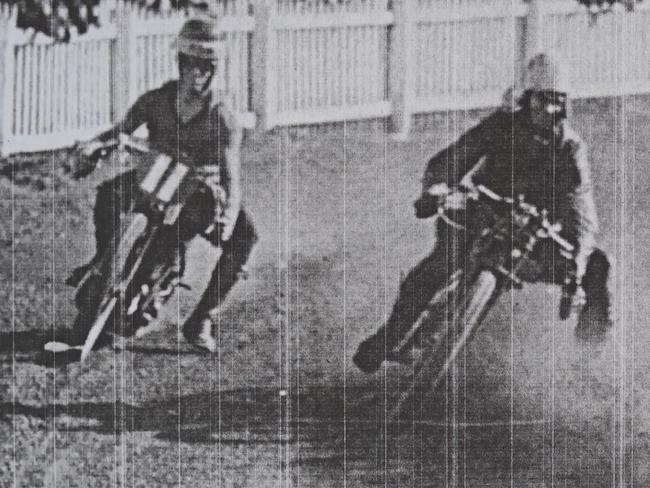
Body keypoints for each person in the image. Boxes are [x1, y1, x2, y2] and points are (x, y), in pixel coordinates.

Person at [353, 52, 612, 374]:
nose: (550, 109)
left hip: (534, 232)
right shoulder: (499, 127)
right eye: (543, 100)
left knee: (598, 265)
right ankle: (388, 336)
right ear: (527, 99)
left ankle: (586, 364)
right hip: (481, 214)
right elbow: (453, 159)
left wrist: (578, 255)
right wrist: (436, 190)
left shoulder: (570, 148)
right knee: (439, 264)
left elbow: (580, 207)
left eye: (558, 101)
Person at [67, 16, 257, 353]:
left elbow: (231, 177)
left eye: (207, 66)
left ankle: (201, 317)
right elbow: (120, 132)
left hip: (199, 193)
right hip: (154, 177)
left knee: (245, 234)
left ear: (216, 68)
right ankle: (101, 266)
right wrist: (93, 148)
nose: (198, 73)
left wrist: (228, 214)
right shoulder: (156, 100)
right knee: (109, 194)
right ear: (180, 62)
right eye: (192, 63)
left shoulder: (222, 116)